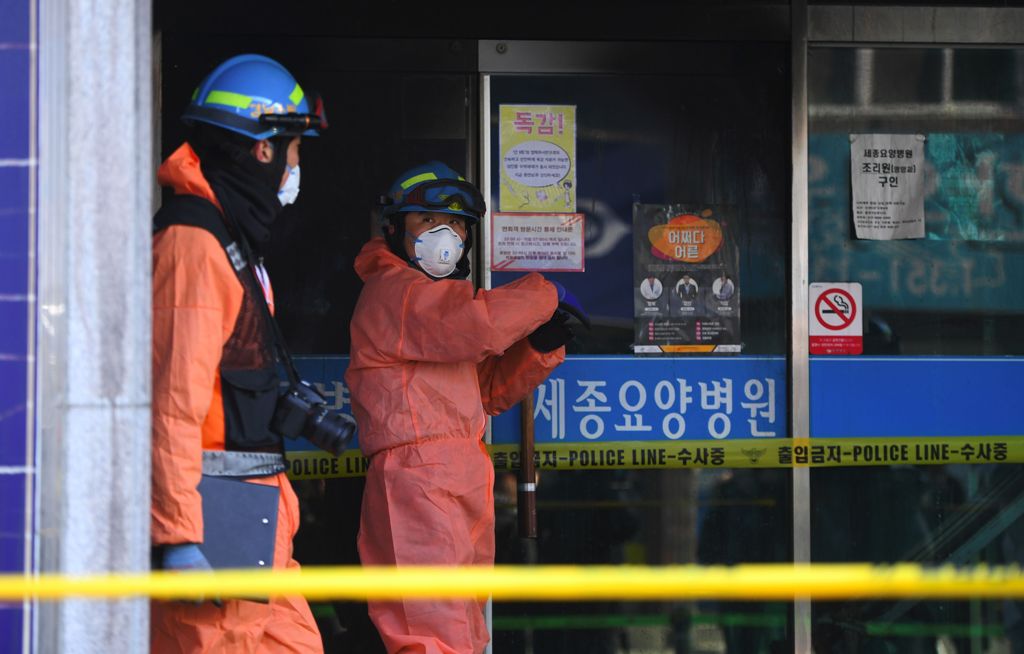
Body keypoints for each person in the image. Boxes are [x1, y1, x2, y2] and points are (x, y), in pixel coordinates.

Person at [346, 161, 587, 654]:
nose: (447, 234)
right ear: (393, 229)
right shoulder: (394, 293)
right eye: (428, 221)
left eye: (457, 224)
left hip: (456, 473)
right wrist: (545, 293)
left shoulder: (429, 304)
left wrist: (537, 347)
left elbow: (484, 393)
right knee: (432, 629)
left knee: (464, 626)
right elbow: (476, 325)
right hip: (416, 480)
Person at [150, 54, 329, 653]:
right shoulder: (194, 245)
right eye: (294, 148)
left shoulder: (228, 238)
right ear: (263, 149)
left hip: (252, 527)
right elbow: (171, 404)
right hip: (212, 533)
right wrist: (178, 539)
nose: (295, 165)